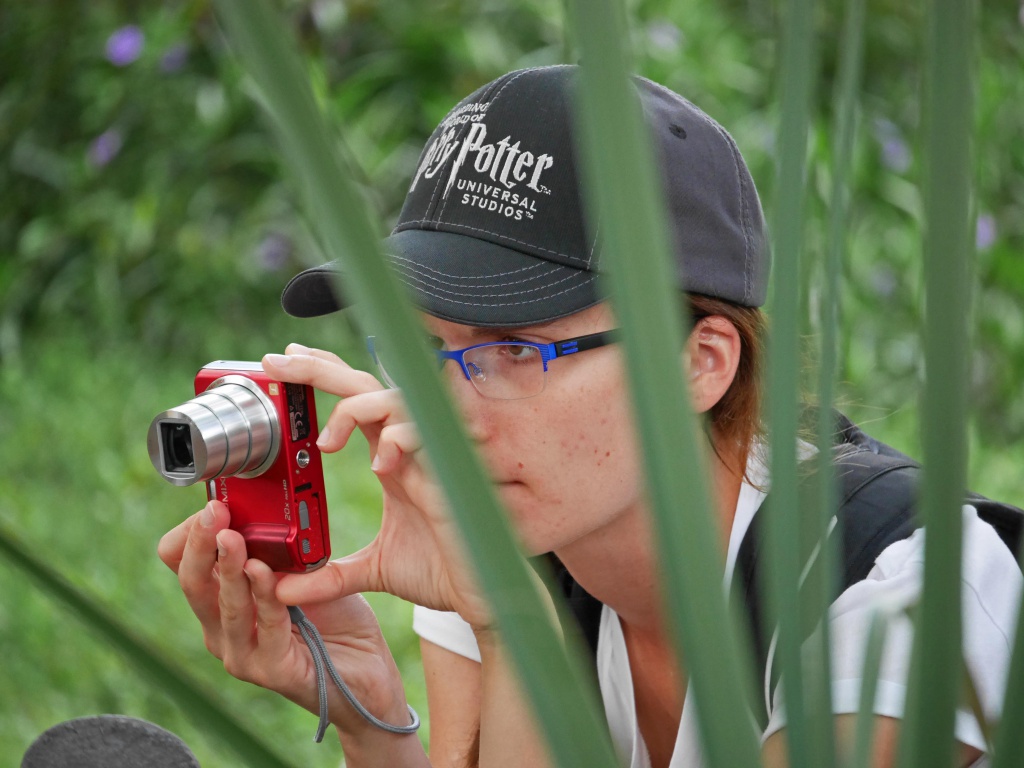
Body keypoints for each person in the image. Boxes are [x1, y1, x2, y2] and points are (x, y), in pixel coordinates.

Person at [157, 65, 1019, 768]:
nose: (445, 420)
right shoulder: (516, 536)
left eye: (513, 350)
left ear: (701, 362)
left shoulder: (894, 600)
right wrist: (373, 714)